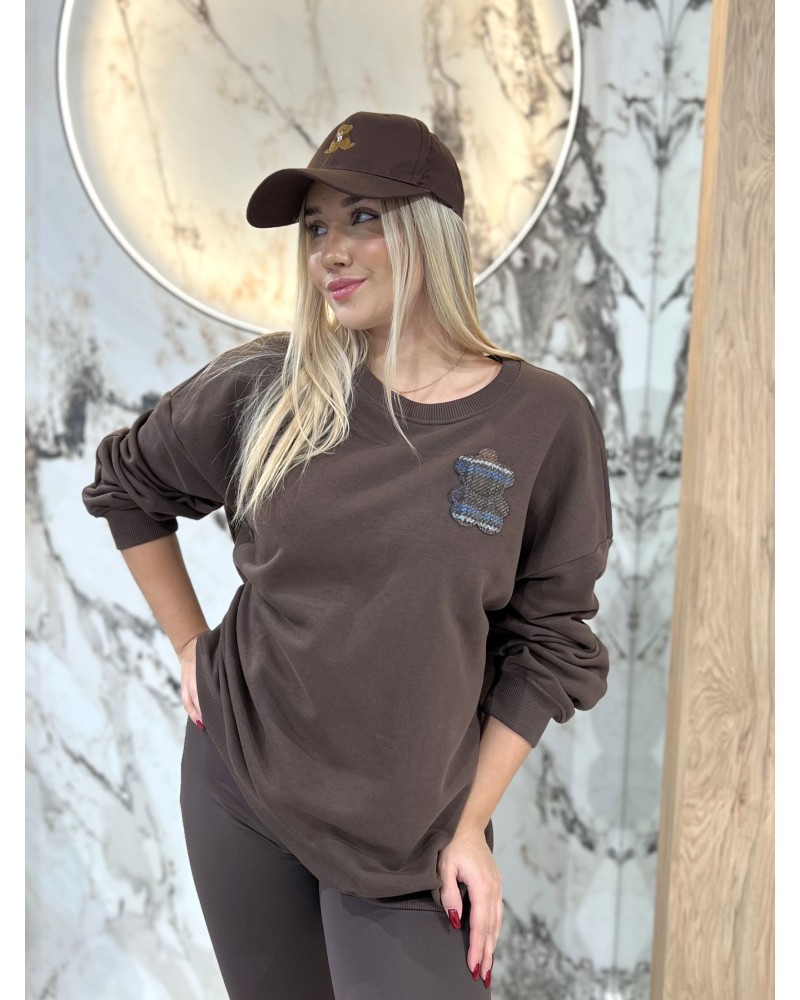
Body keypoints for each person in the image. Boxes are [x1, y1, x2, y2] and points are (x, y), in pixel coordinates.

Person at [82, 111, 613, 1000]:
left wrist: (470, 826)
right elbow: (127, 487)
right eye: (316, 227)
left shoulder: (543, 419)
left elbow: (550, 642)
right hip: (241, 790)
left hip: (411, 837)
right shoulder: (269, 387)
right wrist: (188, 645)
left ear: (430, 230)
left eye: (362, 218)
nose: (330, 251)